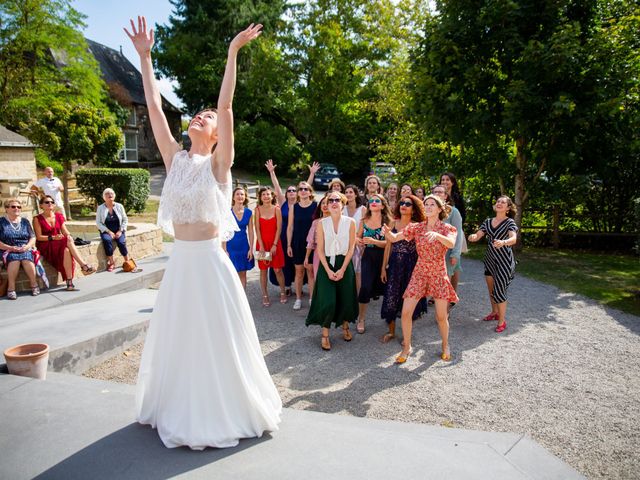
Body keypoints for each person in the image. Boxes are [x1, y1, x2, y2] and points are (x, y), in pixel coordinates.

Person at [126, 17, 281, 449]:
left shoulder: (218, 166)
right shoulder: (174, 158)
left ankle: (224, 411)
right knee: (181, 342)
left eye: (207, 116)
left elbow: (227, 108)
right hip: (181, 266)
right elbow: (154, 108)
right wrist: (145, 58)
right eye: (199, 113)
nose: (202, 115)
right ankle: (178, 408)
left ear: (216, 136)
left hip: (211, 265)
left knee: (217, 343)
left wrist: (232, 53)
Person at [383, 195, 458, 363]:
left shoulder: (447, 228)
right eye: (426, 204)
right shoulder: (417, 227)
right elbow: (395, 238)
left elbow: (451, 244)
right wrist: (388, 233)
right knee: (406, 312)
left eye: (433, 204)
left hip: (438, 272)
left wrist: (437, 235)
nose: (429, 207)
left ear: (440, 209)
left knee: (440, 317)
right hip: (420, 271)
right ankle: (407, 347)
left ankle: (445, 345)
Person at [305, 192, 358, 351]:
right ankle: (325, 335)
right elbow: (319, 250)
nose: (334, 202)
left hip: (344, 263)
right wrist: (328, 270)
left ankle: (345, 327)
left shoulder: (351, 222)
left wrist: (342, 269)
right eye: (330, 200)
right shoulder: (321, 223)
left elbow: (351, 248)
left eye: (337, 200)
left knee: (345, 298)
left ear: (343, 204)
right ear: (326, 205)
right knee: (328, 301)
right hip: (326, 264)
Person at [265, 159, 319, 295]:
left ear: (298, 193)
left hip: (300, 236)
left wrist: (312, 173)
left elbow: (307, 186)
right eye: (289, 191)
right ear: (286, 193)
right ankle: (287, 286)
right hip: (283, 237)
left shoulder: (301, 203)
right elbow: (276, 186)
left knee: (300, 264)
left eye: (294, 191)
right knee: (285, 263)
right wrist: (272, 172)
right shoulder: (283, 202)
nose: (291, 192)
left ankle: (301, 287)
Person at [468, 196, 518, 333]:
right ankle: (494, 312)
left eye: (503, 202)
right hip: (490, 260)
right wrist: (474, 237)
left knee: (500, 291)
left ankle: (502, 321)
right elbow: (479, 234)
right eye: (498, 202)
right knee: (491, 290)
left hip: (504, 261)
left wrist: (504, 242)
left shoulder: (510, 222)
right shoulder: (488, 221)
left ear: (508, 208)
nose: (499, 204)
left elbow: (514, 238)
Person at [380, 194, 426, 342]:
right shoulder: (393, 223)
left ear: (414, 210)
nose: (403, 206)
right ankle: (391, 332)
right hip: (393, 266)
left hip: (411, 267)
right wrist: (383, 267)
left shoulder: (417, 226)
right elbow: (388, 246)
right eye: (402, 203)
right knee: (391, 297)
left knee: (409, 299)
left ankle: (407, 336)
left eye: (408, 204)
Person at [33, 195, 95, 291]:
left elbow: (65, 231)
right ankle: (84, 266)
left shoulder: (58, 216)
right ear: (41, 205)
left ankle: (69, 283)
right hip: (46, 244)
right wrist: (54, 237)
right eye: (47, 202)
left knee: (66, 249)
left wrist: (69, 235)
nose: (50, 204)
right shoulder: (37, 219)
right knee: (66, 241)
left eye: (52, 202)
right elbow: (39, 237)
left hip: (59, 243)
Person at [356, 193, 392, 334]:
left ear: (383, 205)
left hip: (384, 257)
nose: (374, 202)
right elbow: (357, 236)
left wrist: (374, 241)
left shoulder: (388, 221)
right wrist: (358, 241)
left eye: (377, 201)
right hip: (368, 256)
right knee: (364, 287)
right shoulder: (364, 220)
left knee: (387, 289)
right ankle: (361, 318)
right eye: (371, 201)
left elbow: (390, 244)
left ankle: (390, 319)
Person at [286, 181, 317, 310]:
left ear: (310, 192)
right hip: (297, 243)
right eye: (301, 189)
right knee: (299, 272)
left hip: (312, 243)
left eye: (306, 189)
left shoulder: (316, 206)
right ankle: (298, 299)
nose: (303, 191)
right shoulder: (294, 207)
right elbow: (290, 227)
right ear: (298, 193)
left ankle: (312, 298)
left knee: (310, 272)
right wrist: (289, 245)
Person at [254, 186, 287, 306]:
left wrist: (274, 244)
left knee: (278, 270)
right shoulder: (257, 210)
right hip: (262, 244)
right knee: (263, 270)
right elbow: (257, 228)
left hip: (275, 244)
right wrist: (261, 246)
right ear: (260, 197)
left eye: (268, 194)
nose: (266, 196)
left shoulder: (277, 209)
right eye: (264, 195)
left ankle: (283, 292)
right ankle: (265, 295)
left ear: (272, 196)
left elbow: (279, 228)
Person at [0, 198, 38, 299]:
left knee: (26, 258)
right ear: (6, 209)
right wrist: (10, 248)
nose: (16, 208)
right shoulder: (1, 222)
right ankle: (11, 289)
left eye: (19, 207)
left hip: (24, 248)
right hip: (7, 249)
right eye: (13, 206)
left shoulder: (25, 221)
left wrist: (27, 246)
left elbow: (33, 237)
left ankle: (34, 285)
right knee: (14, 259)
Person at [432, 184, 463, 299]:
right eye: (435, 192)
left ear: (445, 196)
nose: (438, 194)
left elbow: (458, 234)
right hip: (432, 252)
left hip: (447, 252)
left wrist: (455, 254)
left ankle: (445, 313)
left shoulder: (453, 212)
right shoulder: (428, 210)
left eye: (441, 192)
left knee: (445, 282)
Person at [224, 186, 254, 289]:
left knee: (242, 274)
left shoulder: (249, 213)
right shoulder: (227, 212)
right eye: (237, 194)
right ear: (233, 197)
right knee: (230, 274)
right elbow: (224, 232)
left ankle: (243, 300)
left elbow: (250, 231)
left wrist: (250, 249)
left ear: (245, 197)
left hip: (243, 246)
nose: (240, 196)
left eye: (242, 194)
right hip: (230, 247)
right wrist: (224, 250)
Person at [96, 188, 131, 272]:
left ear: (114, 195)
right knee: (107, 240)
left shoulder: (119, 206)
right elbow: (98, 223)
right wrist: (108, 231)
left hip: (119, 230)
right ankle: (111, 263)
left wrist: (120, 230)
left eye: (111, 193)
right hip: (106, 231)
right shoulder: (100, 208)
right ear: (104, 197)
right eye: (107, 193)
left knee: (121, 242)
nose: (110, 195)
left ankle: (127, 261)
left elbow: (125, 219)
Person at [343, 184, 366, 292]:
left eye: (351, 192)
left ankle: (357, 298)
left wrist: (356, 239)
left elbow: (362, 228)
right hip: (344, 244)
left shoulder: (363, 209)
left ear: (356, 194)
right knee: (345, 271)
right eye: (346, 192)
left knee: (358, 272)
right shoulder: (342, 208)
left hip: (358, 244)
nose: (348, 194)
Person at [304, 194, 330, 279]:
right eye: (323, 203)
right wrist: (307, 257)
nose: (325, 205)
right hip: (318, 254)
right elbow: (310, 242)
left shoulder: (337, 222)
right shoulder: (316, 222)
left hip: (333, 254)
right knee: (319, 278)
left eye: (327, 203)